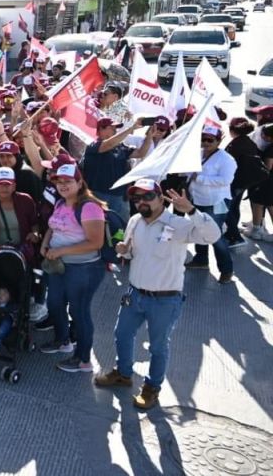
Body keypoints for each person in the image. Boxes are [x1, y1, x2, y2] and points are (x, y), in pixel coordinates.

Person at [94, 180, 220, 410]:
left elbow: (213, 236)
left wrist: (191, 210)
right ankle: (123, 374)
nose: (141, 201)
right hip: (135, 294)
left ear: (161, 199)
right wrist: (125, 250)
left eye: (148, 196)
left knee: (158, 347)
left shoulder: (179, 224)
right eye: (136, 198)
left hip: (165, 299)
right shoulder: (134, 221)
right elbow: (132, 253)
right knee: (122, 334)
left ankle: (152, 388)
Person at [39, 163, 106, 373]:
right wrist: (45, 243)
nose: (63, 185)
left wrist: (60, 251)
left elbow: (96, 243)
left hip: (83, 269)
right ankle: (62, 341)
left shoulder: (89, 207)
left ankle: (83, 360)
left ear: (79, 182)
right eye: (59, 182)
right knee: (54, 303)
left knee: (79, 312)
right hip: (59, 266)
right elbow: (53, 227)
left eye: (68, 181)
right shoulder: (60, 203)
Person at [184, 124, 237, 283]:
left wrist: (199, 178)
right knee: (199, 230)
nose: (205, 142)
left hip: (217, 202)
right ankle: (201, 259)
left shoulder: (227, 159)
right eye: (203, 139)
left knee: (215, 235)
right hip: (198, 199)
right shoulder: (198, 154)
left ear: (218, 141)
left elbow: (226, 180)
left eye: (210, 140)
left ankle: (226, 269)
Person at [80, 117, 145, 221]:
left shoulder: (121, 147)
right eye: (112, 127)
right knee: (99, 227)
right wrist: (131, 128)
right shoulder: (93, 145)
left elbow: (141, 153)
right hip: (97, 195)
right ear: (101, 129)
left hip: (119, 197)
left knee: (121, 231)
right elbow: (108, 144)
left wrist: (150, 135)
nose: (115, 130)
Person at [223, 117, 262, 248]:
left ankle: (235, 236)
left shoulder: (236, 144)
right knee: (234, 207)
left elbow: (227, 163)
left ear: (233, 130)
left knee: (226, 208)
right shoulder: (250, 142)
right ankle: (231, 233)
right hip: (243, 182)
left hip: (235, 182)